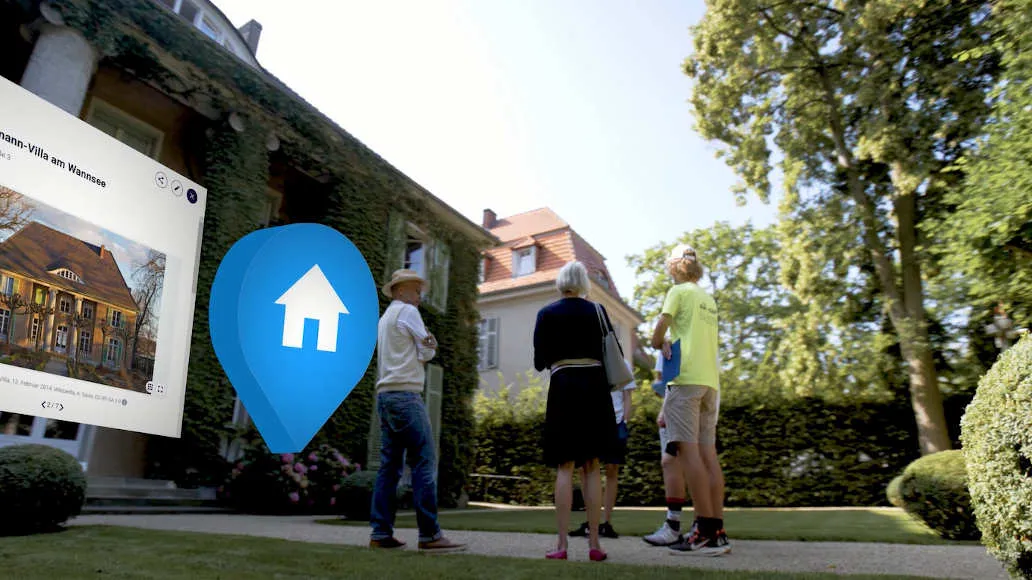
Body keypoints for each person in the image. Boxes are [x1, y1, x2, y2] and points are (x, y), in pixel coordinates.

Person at [369, 269, 466, 553]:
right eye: (417, 292)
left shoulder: (385, 318)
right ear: (401, 291)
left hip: (385, 396)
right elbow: (428, 349)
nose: (420, 299)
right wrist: (429, 343)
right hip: (406, 395)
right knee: (424, 460)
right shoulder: (408, 312)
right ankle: (430, 534)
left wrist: (424, 347)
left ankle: (380, 532)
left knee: (389, 467)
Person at [643, 244, 730, 556]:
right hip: (711, 384)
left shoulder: (677, 292)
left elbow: (655, 339)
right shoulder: (708, 299)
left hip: (686, 380)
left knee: (688, 454)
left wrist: (663, 341)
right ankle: (717, 530)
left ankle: (704, 531)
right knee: (709, 455)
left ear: (675, 266)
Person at [533, 261, 621, 562]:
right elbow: (614, 352)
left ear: (560, 283)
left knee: (564, 466)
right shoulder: (598, 311)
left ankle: (561, 544)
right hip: (595, 388)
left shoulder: (546, 313)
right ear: (583, 283)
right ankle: (595, 543)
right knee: (592, 467)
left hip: (563, 387)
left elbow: (539, 361)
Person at [570, 358, 636, 539]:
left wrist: (625, 421)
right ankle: (590, 521)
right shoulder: (589, 360)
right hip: (592, 422)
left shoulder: (621, 363)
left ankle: (606, 522)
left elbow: (628, 395)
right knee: (586, 471)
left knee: (611, 470)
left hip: (615, 422)